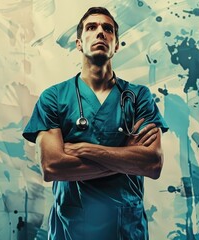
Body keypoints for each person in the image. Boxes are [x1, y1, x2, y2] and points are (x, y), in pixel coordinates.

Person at [22, 6, 169, 240]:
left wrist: (82, 149)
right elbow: (52, 167)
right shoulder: (54, 97)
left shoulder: (139, 96)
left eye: (108, 29)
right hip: (71, 226)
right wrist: (127, 156)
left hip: (125, 226)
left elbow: (152, 164)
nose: (100, 32)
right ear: (79, 43)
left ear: (117, 45)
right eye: (92, 27)